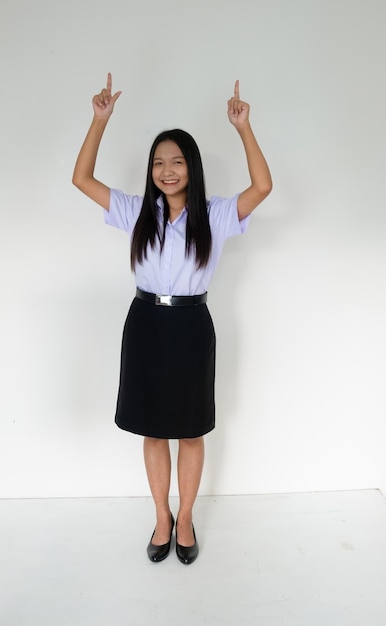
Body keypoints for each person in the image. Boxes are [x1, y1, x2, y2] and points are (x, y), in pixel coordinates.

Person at [72, 73, 272, 565]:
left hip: (190, 327)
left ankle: (186, 521)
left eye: (176, 161)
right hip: (144, 324)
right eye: (159, 162)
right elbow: (81, 179)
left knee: (190, 429)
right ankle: (161, 517)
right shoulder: (137, 212)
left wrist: (244, 128)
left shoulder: (217, 216)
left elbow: (264, 186)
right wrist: (99, 121)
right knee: (153, 429)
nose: (167, 170)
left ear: (192, 167)